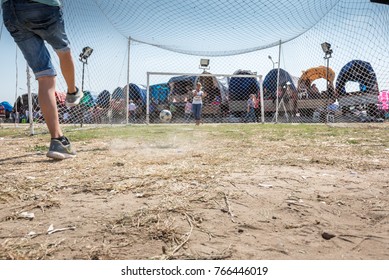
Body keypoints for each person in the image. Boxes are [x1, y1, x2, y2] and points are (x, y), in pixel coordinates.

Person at [2, 0, 83, 160]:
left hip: (10, 10)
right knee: (63, 49)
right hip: (41, 4)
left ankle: (58, 141)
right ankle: (72, 92)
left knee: (44, 77)